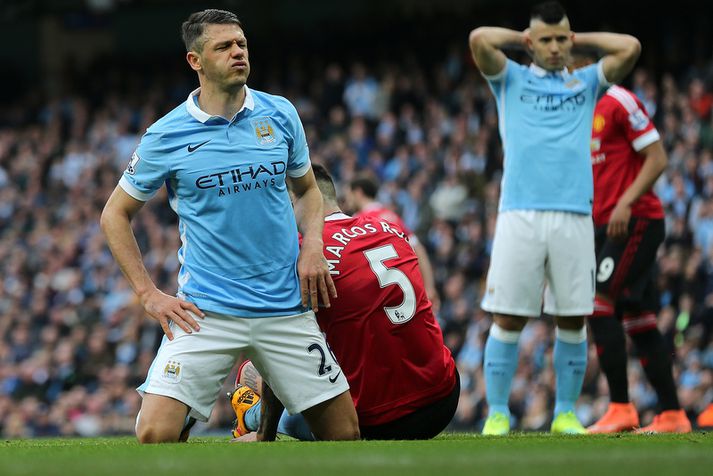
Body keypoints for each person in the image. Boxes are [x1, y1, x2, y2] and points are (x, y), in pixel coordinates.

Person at [100, 9, 359, 443]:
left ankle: (259, 432)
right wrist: (148, 294)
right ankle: (224, 421)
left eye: (240, 44)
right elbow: (114, 214)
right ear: (195, 61)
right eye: (223, 46)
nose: (237, 52)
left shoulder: (279, 113)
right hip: (208, 310)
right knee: (152, 435)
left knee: (345, 436)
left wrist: (312, 245)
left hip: (284, 308)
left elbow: (310, 192)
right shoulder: (166, 134)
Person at [468, 0, 641, 434]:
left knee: (572, 316)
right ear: (530, 42)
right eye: (545, 40)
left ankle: (565, 411)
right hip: (519, 214)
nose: (555, 47)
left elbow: (630, 47)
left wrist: (575, 39)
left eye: (561, 39)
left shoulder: (585, 83)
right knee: (507, 315)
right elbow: (479, 40)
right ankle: (497, 414)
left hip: (573, 215)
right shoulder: (510, 78)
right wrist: (523, 40)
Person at [230, 164, 459, 441]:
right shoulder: (389, 227)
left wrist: (262, 436)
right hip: (443, 398)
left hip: (378, 421)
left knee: (251, 372)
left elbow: (278, 348)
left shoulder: (303, 256)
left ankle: (250, 416)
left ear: (291, 202)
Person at [586, 83, 691, 433]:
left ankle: (620, 407)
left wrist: (626, 202)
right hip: (606, 226)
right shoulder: (577, 108)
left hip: (634, 221)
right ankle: (673, 415)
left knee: (599, 304)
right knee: (639, 319)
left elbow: (658, 157)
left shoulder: (618, 99)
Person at [347, 174, 440, 312]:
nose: (347, 200)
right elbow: (419, 249)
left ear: (358, 193)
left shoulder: (356, 222)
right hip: (406, 291)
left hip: (378, 298)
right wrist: (430, 287)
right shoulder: (391, 216)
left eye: (349, 195)